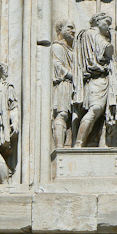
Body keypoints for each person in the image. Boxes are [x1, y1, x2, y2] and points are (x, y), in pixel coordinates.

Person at [72, 13, 117, 147]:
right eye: (106, 23)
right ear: (97, 22)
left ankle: (97, 142)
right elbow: (108, 50)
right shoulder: (93, 34)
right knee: (96, 109)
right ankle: (79, 143)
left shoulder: (85, 35)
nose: (108, 27)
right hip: (97, 78)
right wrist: (108, 39)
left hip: (98, 78)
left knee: (102, 113)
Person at [51, 19, 75, 148]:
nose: (73, 31)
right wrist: (70, 75)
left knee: (73, 117)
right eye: (70, 28)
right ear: (60, 30)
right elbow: (57, 65)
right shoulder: (57, 46)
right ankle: (59, 146)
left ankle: (68, 144)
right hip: (64, 84)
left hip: (74, 85)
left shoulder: (72, 50)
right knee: (62, 113)